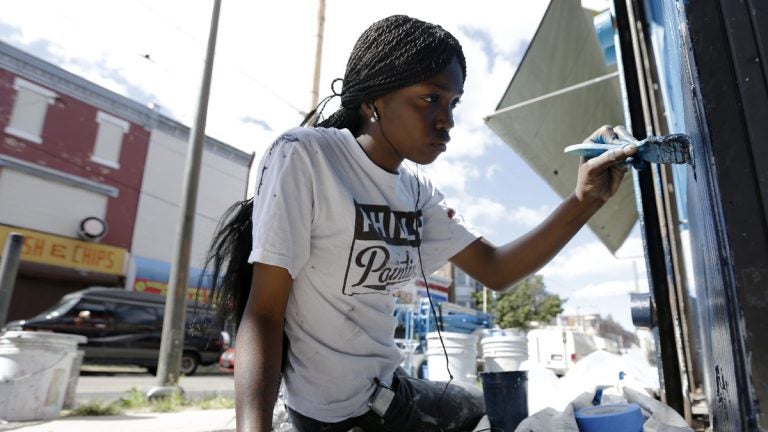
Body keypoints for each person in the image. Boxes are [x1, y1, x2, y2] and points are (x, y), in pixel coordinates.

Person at [203, 14, 637, 432]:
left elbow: (497, 270)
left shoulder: (416, 190)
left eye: (453, 103)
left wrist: (584, 200)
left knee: (490, 406)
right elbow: (263, 312)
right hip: (335, 416)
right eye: (430, 98)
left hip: (390, 394)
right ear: (374, 99)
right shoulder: (307, 156)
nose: (447, 120)